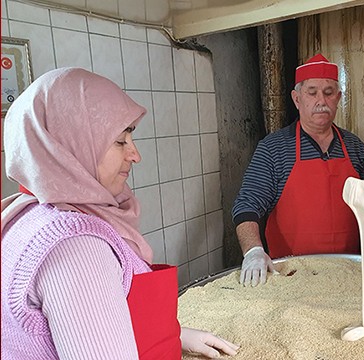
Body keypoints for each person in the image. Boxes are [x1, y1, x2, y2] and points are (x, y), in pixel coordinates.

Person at [1, 68, 239, 359]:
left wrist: (176, 335)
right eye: (119, 141)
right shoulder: (76, 248)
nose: (135, 154)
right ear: (71, 143)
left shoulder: (26, 213)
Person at [232, 54, 364, 287]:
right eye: (312, 92)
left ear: (338, 98)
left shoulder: (354, 146)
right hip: (291, 274)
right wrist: (253, 251)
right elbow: (247, 205)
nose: (321, 100)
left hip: (350, 271)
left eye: (328, 93)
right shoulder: (273, 148)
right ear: (297, 99)